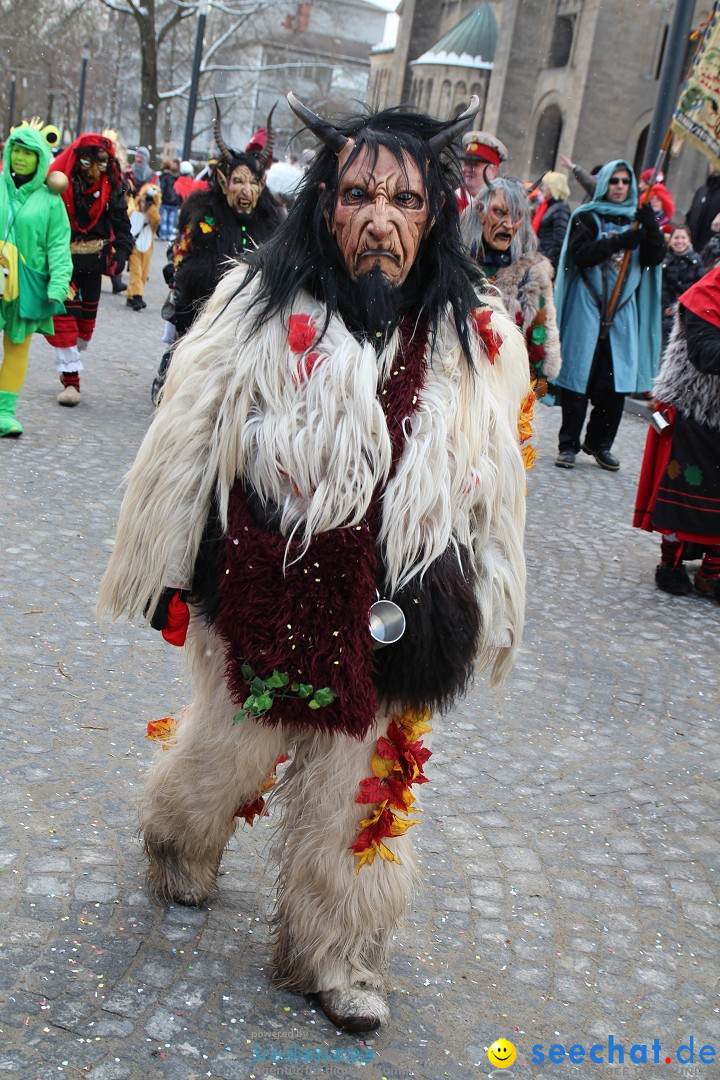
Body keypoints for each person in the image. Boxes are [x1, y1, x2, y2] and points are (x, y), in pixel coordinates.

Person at [98, 92, 530, 1034]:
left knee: (359, 790)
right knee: (232, 750)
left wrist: (491, 596)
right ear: (325, 204)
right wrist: (168, 567)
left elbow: (498, 482)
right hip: (267, 587)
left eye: (404, 203)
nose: (379, 221)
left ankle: (335, 952)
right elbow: (185, 437)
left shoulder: (480, 339)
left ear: (436, 213)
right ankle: (181, 838)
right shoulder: (254, 304)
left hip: (398, 610)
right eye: (359, 196)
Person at [150, 106, 283, 402]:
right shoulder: (203, 212)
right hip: (203, 299)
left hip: (248, 306)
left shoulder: (272, 220)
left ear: (261, 185)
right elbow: (183, 250)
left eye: (252, 183)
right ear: (224, 184)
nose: (246, 190)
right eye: (238, 182)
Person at [552, 159, 665, 470]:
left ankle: (600, 443)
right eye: (613, 181)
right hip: (587, 304)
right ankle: (569, 444)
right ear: (604, 184)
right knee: (578, 377)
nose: (619, 187)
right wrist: (617, 241)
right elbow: (581, 254)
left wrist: (650, 227)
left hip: (623, 311)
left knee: (614, 382)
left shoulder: (639, 221)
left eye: (624, 182)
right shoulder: (586, 217)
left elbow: (655, 258)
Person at [633, 266, 720, 599]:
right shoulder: (705, 296)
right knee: (684, 493)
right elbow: (705, 355)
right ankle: (670, 564)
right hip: (690, 411)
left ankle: (712, 572)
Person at [46, 134, 134, 406]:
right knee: (65, 318)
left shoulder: (113, 187)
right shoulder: (64, 184)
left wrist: (122, 251)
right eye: (87, 162)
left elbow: (121, 223)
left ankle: (70, 361)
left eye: (101, 163)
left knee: (85, 325)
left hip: (94, 263)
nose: (94, 170)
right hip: (64, 262)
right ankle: (72, 380)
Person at [0, 120, 72, 436]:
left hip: (25, 284)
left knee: (17, 347)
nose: (20, 157)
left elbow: (58, 245)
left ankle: (4, 414)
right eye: (16, 149)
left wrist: (58, 284)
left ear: (40, 157)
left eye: (29, 152)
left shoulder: (50, 200)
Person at [461, 176, 561, 400]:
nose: (508, 224)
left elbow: (541, 333)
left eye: (516, 216)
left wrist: (538, 384)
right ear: (480, 210)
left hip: (506, 393)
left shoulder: (531, 272)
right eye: (500, 212)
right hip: (459, 387)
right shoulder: (456, 263)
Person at [661, 224, 704, 347]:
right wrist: (666, 306)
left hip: (688, 311)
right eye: (676, 237)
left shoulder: (696, 260)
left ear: (688, 240)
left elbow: (699, 286)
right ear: (670, 240)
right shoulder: (664, 261)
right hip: (666, 313)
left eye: (683, 238)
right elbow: (662, 287)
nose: (680, 241)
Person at [126, 180, 161, 311]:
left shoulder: (152, 216)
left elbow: (156, 219)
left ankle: (131, 295)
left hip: (146, 247)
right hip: (134, 246)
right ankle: (137, 297)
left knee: (143, 273)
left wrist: (150, 207)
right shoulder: (133, 212)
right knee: (136, 271)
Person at [456, 129, 508, 212]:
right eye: (466, 163)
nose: (468, 169)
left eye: (475, 164)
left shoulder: (502, 207)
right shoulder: (450, 201)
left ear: (493, 170)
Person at [532, 171, 571, 271]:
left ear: (553, 187)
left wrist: (550, 263)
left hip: (546, 263)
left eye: (545, 185)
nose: (542, 188)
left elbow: (559, 240)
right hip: (540, 258)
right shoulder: (548, 206)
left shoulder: (560, 208)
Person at [686, 165, 720, 252]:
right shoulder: (702, 190)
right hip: (691, 249)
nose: (715, 166)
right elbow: (689, 218)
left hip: (713, 250)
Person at [158, 159, 181, 241]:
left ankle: (164, 234)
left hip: (165, 201)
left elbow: (162, 188)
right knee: (171, 220)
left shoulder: (164, 177)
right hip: (174, 202)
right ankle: (169, 234)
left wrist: (160, 197)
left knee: (164, 219)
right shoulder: (178, 177)